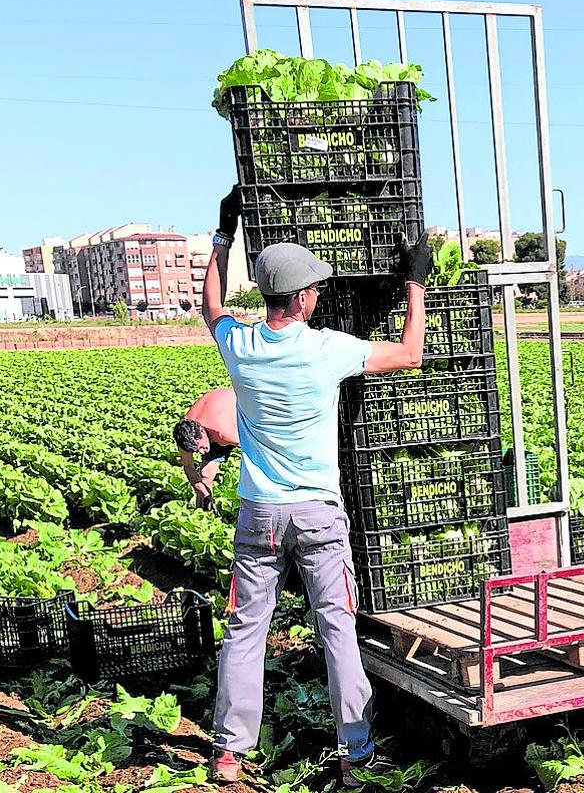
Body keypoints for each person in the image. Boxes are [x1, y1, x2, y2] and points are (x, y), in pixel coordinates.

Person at [203, 186, 432, 784]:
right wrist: (414, 280)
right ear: (304, 299)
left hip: (259, 513)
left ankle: (230, 752)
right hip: (317, 516)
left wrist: (222, 238)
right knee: (337, 628)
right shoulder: (328, 351)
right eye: (316, 289)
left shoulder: (241, 345)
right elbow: (410, 352)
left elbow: (213, 304)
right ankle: (356, 748)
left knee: (246, 629)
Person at [173, 388, 238, 510]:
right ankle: (203, 512)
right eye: (197, 451)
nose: (203, 452)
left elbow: (256, 448)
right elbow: (188, 467)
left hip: (234, 409)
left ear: (202, 432)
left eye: (201, 447)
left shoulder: (225, 433)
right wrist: (205, 494)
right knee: (205, 474)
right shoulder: (184, 434)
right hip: (210, 420)